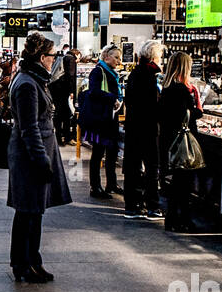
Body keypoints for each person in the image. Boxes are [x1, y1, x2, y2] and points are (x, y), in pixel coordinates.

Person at [7, 32, 72, 283]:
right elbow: (29, 127)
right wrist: (41, 160)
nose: (55, 60)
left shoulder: (33, 79)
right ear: (42, 57)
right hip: (30, 156)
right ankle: (22, 263)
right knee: (27, 212)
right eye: (53, 55)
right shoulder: (26, 84)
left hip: (37, 152)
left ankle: (32, 260)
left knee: (34, 212)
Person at [158, 51, 201, 233]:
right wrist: (198, 110)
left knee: (176, 182)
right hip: (182, 141)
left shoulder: (166, 88)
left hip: (168, 139)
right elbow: (189, 115)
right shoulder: (182, 90)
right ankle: (182, 219)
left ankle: (172, 219)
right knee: (183, 184)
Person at [123, 40, 164, 220]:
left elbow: (129, 100)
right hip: (148, 128)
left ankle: (131, 205)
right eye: (160, 57)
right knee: (151, 167)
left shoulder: (134, 74)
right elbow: (155, 105)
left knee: (132, 166)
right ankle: (152, 206)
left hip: (133, 126)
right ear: (154, 57)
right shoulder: (152, 76)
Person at [80, 45, 123, 200]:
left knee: (112, 151)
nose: (119, 61)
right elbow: (94, 92)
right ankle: (95, 186)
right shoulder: (98, 72)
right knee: (98, 153)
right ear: (106, 57)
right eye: (116, 57)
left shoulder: (112, 73)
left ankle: (111, 183)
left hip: (110, 118)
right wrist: (112, 98)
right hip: (100, 119)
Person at [50, 47, 80, 145]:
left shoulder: (63, 57)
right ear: (77, 54)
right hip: (63, 89)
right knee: (65, 115)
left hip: (55, 88)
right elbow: (70, 76)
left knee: (59, 114)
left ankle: (59, 138)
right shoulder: (71, 59)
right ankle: (66, 138)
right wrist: (71, 91)